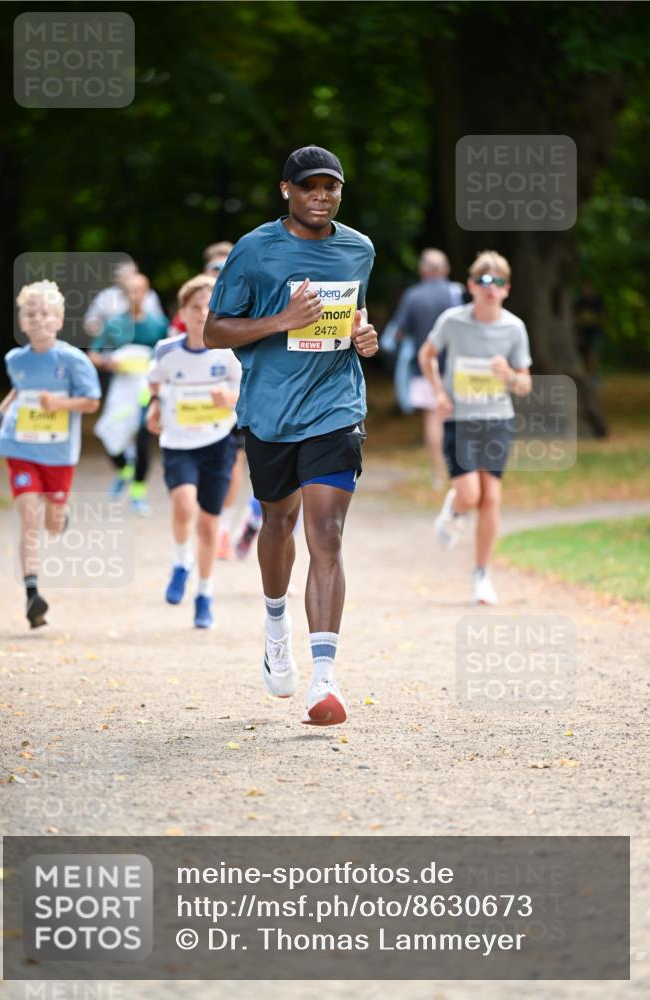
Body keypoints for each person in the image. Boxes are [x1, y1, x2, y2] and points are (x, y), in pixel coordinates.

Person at [204, 145, 378, 727]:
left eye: (331, 186)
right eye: (310, 186)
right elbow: (213, 331)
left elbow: (353, 314)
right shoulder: (255, 250)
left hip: (335, 406)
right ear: (287, 190)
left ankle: (324, 680)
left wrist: (364, 336)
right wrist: (281, 320)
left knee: (324, 531)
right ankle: (275, 622)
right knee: (278, 522)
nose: (321, 196)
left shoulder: (359, 249)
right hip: (272, 414)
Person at [0, 280, 100, 627]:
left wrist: (61, 403)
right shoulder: (15, 359)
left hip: (59, 454)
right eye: (30, 314)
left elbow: (92, 401)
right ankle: (33, 594)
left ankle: (60, 515)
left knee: (51, 522)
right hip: (20, 446)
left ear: (59, 320)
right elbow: (19, 390)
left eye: (45, 313)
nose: (37, 319)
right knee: (29, 516)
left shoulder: (73, 360)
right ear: (22, 322)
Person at [418, 251, 532, 605]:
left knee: (491, 498)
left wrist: (510, 376)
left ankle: (481, 574)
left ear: (507, 289)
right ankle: (454, 511)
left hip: (498, 419)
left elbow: (525, 384)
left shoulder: (514, 328)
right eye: (485, 281)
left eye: (499, 283)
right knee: (470, 495)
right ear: (471, 285)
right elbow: (427, 354)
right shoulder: (453, 321)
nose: (491, 289)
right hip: (460, 419)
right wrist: (438, 392)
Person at [146, 274, 241, 628]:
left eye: (209, 307)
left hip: (218, 443)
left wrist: (228, 398)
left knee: (209, 525)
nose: (202, 314)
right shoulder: (166, 350)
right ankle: (181, 562)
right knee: (184, 503)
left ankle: (204, 593)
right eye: (196, 307)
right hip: (178, 443)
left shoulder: (229, 352)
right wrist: (154, 407)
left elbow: (243, 390)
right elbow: (154, 382)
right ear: (183, 312)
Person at [89, 273, 168, 515]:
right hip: (121, 388)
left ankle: (138, 494)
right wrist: (107, 362)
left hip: (146, 387)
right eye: (130, 290)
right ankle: (124, 470)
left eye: (139, 290)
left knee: (144, 437)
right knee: (107, 433)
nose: (135, 295)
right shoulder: (113, 323)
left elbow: (167, 353)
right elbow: (93, 353)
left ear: (147, 292)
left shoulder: (157, 324)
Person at [391, 248, 463, 488]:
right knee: (454, 419)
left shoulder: (413, 296)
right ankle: (458, 472)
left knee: (432, 419)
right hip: (456, 367)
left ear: (422, 270)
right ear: (446, 269)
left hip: (425, 368)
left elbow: (399, 333)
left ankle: (438, 476)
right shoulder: (456, 293)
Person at [83, 260, 164, 338]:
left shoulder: (149, 296)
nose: (125, 279)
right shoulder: (105, 296)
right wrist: (98, 329)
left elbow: (159, 321)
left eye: (129, 275)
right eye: (121, 276)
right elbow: (90, 320)